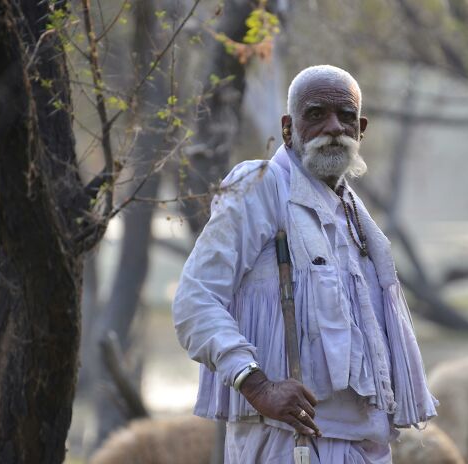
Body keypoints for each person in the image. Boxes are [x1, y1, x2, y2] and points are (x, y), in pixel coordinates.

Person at [172, 65, 437, 463]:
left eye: (345, 117)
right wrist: (257, 386)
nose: (333, 127)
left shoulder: (355, 214)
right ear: (288, 127)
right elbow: (194, 301)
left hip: (366, 447)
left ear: (360, 129)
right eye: (315, 114)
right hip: (286, 444)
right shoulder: (260, 185)